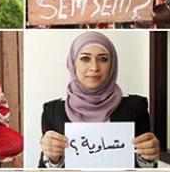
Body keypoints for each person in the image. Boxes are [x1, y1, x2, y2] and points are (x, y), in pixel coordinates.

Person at [39, 32, 159, 168]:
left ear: (112, 64)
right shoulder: (53, 111)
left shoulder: (135, 107)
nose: (94, 67)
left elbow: (145, 165)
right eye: (85, 59)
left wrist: (148, 158)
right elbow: (42, 167)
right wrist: (53, 159)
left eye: (103, 59)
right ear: (73, 63)